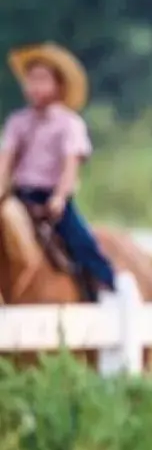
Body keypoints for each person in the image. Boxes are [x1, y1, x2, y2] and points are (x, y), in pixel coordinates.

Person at [0, 42, 116, 300]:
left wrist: (59, 197)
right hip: (19, 198)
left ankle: (108, 289)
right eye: (30, 80)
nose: (33, 87)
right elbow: (5, 160)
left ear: (59, 85)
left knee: (82, 242)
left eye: (42, 79)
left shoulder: (68, 123)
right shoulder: (18, 121)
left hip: (51, 199)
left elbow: (69, 165)